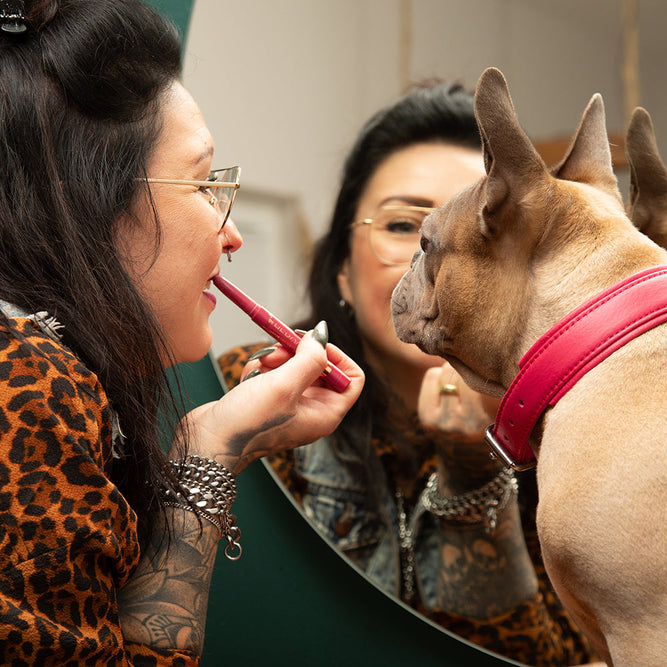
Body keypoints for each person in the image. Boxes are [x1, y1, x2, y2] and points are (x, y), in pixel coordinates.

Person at [0, 1, 363, 665]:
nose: (229, 234)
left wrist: (211, 445)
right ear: (87, 199)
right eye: (204, 184)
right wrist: (203, 466)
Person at [219, 82, 597, 666]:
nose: (448, 264)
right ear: (342, 270)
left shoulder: (570, 440)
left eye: (484, 231)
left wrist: (474, 474)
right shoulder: (243, 391)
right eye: (406, 228)